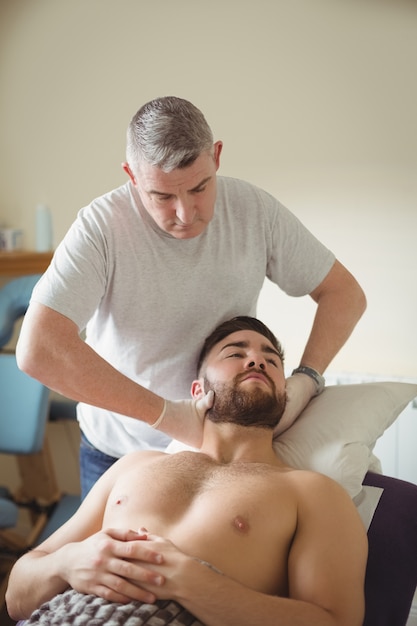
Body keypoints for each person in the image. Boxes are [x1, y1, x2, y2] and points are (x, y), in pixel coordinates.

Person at [16, 96, 367, 497]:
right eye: (162, 196)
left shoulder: (253, 211)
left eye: (199, 188)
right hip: (118, 454)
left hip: (218, 456)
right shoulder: (101, 229)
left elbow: (344, 293)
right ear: (132, 174)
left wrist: (307, 377)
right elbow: (38, 349)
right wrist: (165, 415)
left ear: (216, 157)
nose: (185, 213)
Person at [6, 316, 367, 626]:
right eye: (236, 353)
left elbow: (336, 621)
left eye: (270, 359)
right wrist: (68, 563)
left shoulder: (312, 493)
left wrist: (195, 584)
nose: (257, 360)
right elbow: (16, 595)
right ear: (198, 390)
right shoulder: (135, 465)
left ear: (285, 395)